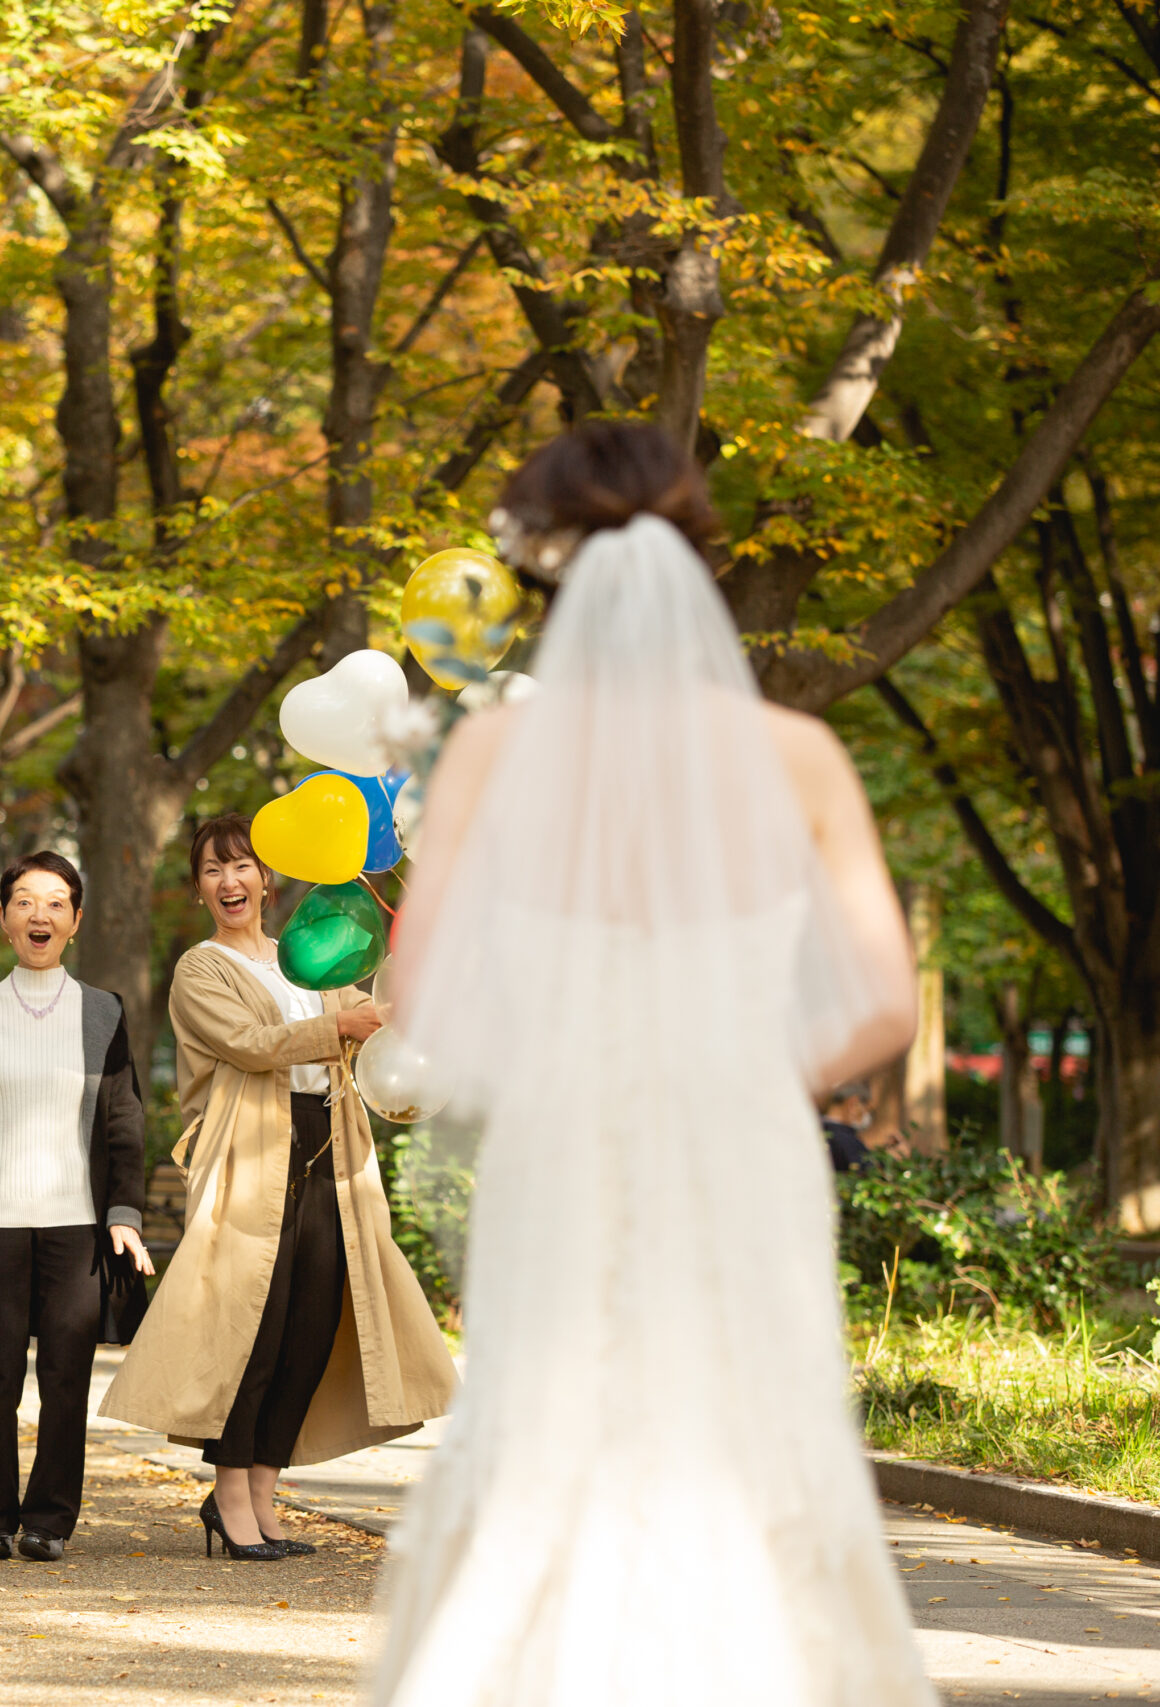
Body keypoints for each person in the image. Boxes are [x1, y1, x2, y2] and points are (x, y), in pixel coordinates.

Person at [370, 422, 926, 1704]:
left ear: (545, 575)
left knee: (553, 1437)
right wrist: (730, 1071)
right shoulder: (800, 757)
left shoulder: (497, 756)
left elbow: (424, 992)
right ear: (697, 556)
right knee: (747, 1427)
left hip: (562, 1148)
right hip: (741, 1145)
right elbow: (885, 1005)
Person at [98, 817, 456, 1560]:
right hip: (251, 1154)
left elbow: (375, 1022)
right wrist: (346, 1025)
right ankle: (229, 1495)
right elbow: (251, 1046)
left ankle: (264, 1492)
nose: (230, 881)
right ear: (199, 888)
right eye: (212, 869)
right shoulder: (201, 968)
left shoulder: (312, 958)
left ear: (267, 877)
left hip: (331, 1147)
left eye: (242, 866)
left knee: (312, 1323)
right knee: (251, 1326)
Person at [0, 850, 151, 1563]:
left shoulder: (103, 1011)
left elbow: (124, 1121)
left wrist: (124, 1213)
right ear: (4, 919)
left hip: (75, 1225)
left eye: (55, 901)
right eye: (25, 900)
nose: (39, 913)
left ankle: (48, 1519)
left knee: (64, 1375)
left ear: (75, 920)